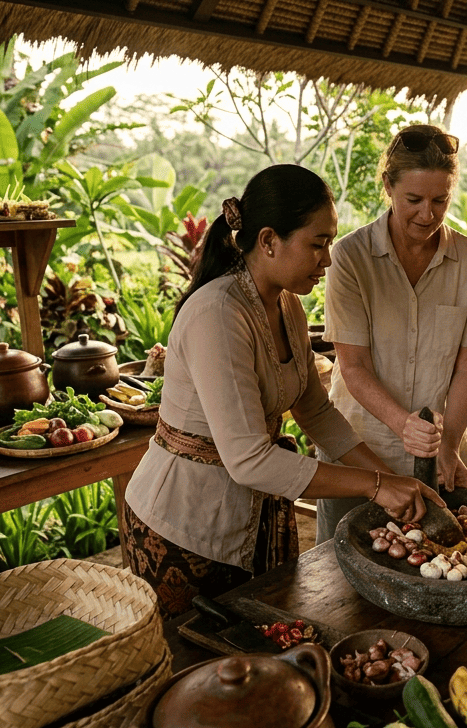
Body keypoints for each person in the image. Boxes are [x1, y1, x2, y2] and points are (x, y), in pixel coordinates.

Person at [123, 164, 441, 618]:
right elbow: (250, 459)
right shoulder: (218, 315)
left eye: (330, 243)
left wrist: (392, 482)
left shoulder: (287, 306)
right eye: (317, 244)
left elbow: (317, 413)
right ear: (269, 240)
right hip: (181, 530)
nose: (327, 260)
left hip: (246, 525)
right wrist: (375, 487)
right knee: (193, 670)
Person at [316, 124, 467, 544]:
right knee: (343, 570)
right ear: (388, 186)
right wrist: (403, 425)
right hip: (358, 451)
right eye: (413, 200)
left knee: (438, 561)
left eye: (440, 200)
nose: (427, 214)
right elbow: (353, 366)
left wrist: (447, 445)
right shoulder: (351, 257)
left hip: (442, 452)